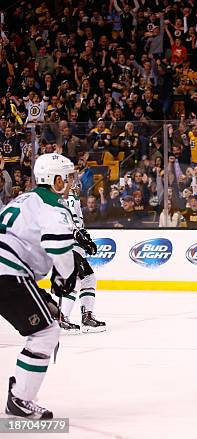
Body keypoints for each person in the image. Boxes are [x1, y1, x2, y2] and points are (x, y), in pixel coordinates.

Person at [0, 153, 79, 418]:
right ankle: (21, 398)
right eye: (66, 178)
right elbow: (57, 244)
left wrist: (44, 295)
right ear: (55, 180)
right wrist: (67, 274)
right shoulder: (53, 204)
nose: (69, 183)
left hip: (8, 271)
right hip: (8, 272)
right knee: (46, 333)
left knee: (45, 318)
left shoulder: (23, 199)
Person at [59, 176, 106, 333]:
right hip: (69, 245)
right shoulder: (69, 198)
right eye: (74, 184)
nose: (77, 186)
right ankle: (62, 319)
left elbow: (79, 225)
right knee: (76, 280)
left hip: (74, 246)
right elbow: (70, 224)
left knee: (88, 279)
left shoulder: (74, 199)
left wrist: (87, 240)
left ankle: (86, 317)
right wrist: (81, 237)